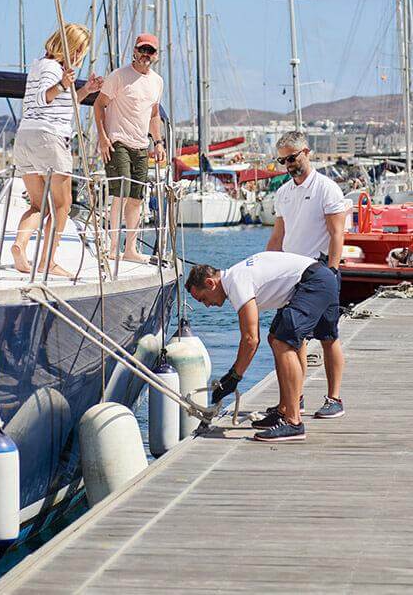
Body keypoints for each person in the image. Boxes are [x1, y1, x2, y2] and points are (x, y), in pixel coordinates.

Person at [185, 253, 340, 443]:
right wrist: (235, 374)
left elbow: (251, 339)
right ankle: (285, 410)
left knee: (283, 343)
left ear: (210, 283)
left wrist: (234, 376)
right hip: (320, 279)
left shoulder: (236, 282)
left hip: (314, 282)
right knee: (275, 336)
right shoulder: (237, 275)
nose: (207, 306)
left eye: (202, 299)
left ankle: (293, 422)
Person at [266, 130, 347, 421]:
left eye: (293, 157)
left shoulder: (327, 188)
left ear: (307, 152)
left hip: (321, 272)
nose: (289, 164)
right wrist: (266, 266)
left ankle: (334, 398)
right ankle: (295, 398)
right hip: (290, 274)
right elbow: (278, 235)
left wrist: (333, 272)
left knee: (328, 336)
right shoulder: (283, 192)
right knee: (293, 338)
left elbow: (337, 233)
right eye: (283, 160)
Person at [12, 23, 102, 278]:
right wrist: (63, 83)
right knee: (63, 204)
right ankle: (48, 262)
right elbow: (45, 97)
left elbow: (62, 103)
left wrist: (86, 90)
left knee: (40, 204)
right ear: (70, 46)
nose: (79, 56)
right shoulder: (53, 68)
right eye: (79, 50)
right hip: (48, 138)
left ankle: (20, 245)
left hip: (25, 137)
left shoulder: (39, 66)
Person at [93, 33, 165, 263]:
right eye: (142, 50)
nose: (145, 54)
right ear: (134, 50)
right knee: (120, 194)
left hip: (141, 145)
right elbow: (99, 105)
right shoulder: (119, 76)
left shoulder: (157, 81)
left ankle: (130, 250)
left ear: (155, 55)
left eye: (150, 51)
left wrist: (158, 142)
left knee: (137, 199)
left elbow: (154, 114)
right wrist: (103, 138)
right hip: (118, 141)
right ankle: (113, 247)